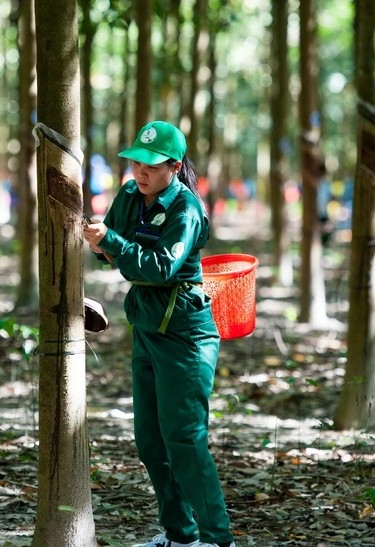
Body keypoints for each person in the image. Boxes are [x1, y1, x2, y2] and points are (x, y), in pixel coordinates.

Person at [83, 121, 236, 547]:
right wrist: (100, 242)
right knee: (151, 442)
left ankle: (217, 539)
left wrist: (111, 240)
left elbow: (160, 267)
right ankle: (180, 535)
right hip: (148, 326)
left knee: (185, 439)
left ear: (173, 165)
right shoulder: (131, 195)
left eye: (151, 164)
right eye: (136, 162)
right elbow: (109, 253)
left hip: (186, 333)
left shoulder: (187, 209)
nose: (140, 172)